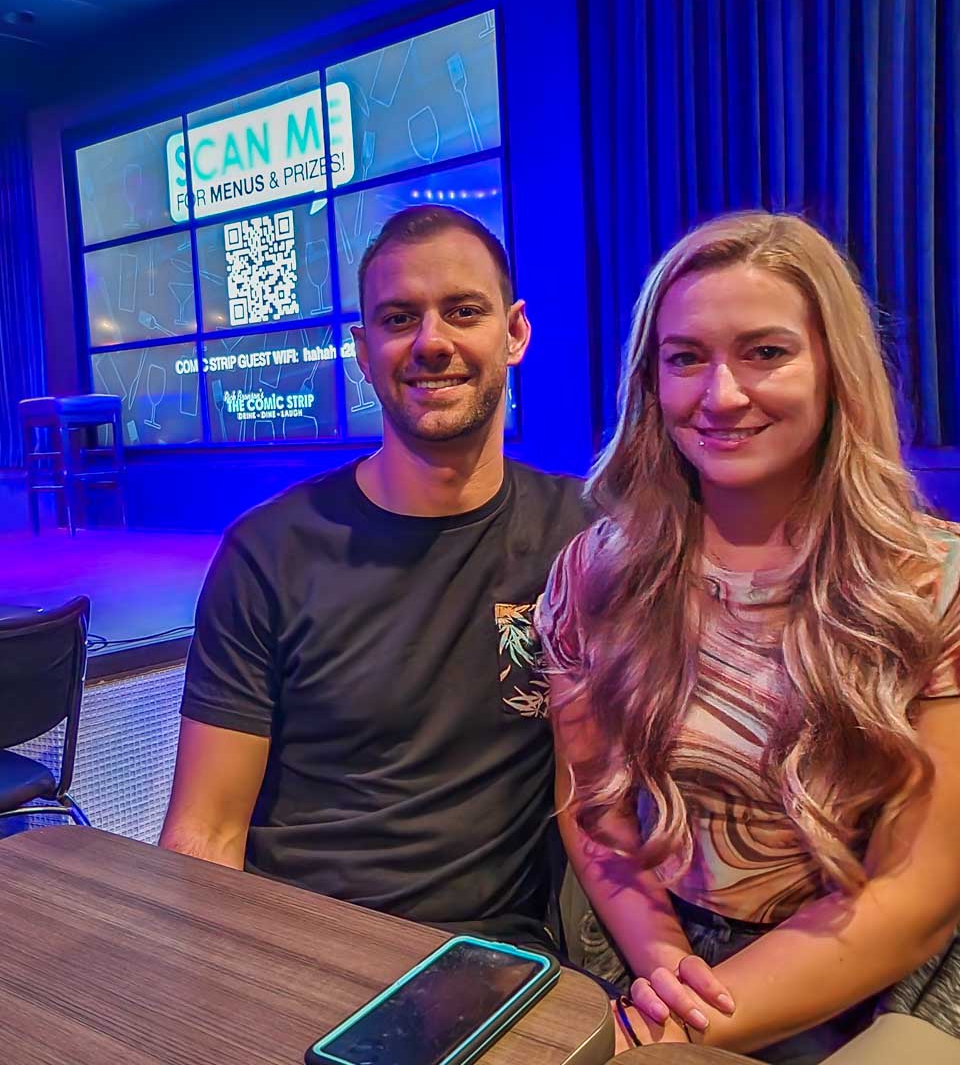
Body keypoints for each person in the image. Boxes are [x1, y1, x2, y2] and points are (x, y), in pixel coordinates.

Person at [536, 212, 960, 1062]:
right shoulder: (594, 572)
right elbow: (594, 812)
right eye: (686, 357)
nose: (721, 395)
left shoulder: (934, 582)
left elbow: (915, 899)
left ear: (834, 368)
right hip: (653, 948)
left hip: (871, 975)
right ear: (649, 382)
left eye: (765, 353)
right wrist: (664, 964)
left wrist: (652, 1036)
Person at [160, 205, 587, 950]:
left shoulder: (580, 540)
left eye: (462, 312)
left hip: (494, 962)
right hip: (297, 946)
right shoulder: (271, 553)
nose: (432, 342)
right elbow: (206, 828)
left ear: (514, 332)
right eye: (398, 318)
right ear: (363, 349)